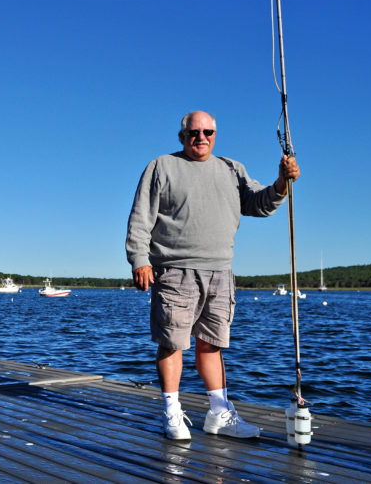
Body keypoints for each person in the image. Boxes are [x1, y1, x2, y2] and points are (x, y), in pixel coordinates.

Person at [125, 110, 300, 440]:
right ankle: (172, 413)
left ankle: (219, 413)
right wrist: (139, 260)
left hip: (221, 272)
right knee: (172, 343)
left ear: (215, 135)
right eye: (194, 132)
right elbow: (140, 219)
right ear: (183, 137)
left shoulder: (232, 169)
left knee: (212, 345)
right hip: (175, 271)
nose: (200, 137)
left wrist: (281, 183)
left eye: (207, 132)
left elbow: (259, 204)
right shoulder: (161, 166)